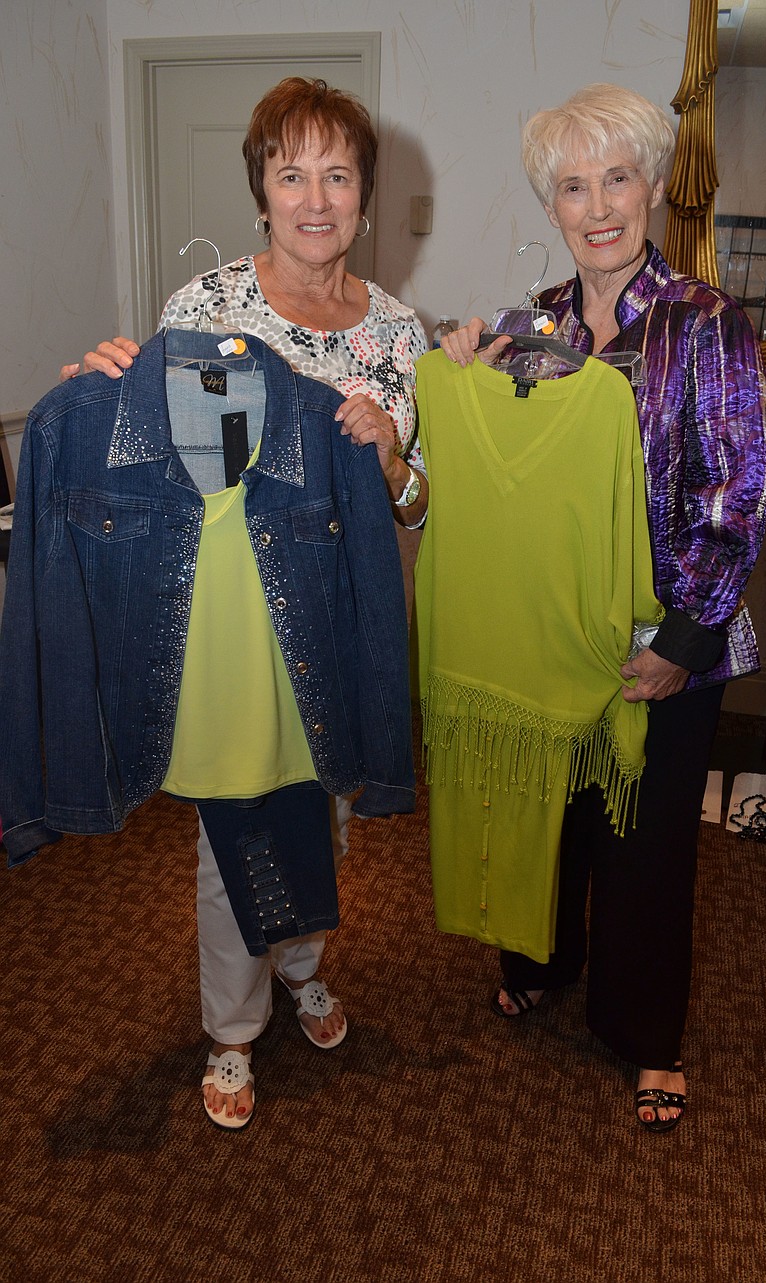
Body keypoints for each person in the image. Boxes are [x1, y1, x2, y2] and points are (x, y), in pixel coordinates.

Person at [61, 77, 429, 1128]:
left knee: (328, 814)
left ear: (363, 193)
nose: (315, 198)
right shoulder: (205, 311)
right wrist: (104, 387)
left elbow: (418, 504)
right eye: (291, 173)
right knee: (235, 830)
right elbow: (155, 470)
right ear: (261, 191)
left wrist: (395, 460)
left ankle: (302, 966)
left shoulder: (399, 334)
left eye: (337, 175)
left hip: (341, 622)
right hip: (230, 626)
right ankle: (231, 1027)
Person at [439, 83, 766, 1132]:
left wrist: (684, 639)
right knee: (554, 813)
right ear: (551, 203)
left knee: (645, 839)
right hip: (553, 625)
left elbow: (734, 493)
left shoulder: (704, 323)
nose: (597, 207)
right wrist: (464, 367)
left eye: (616, 179)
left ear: (653, 187)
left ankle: (645, 1034)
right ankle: (540, 963)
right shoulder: (533, 323)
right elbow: (507, 471)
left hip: (662, 631)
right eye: (573, 186)